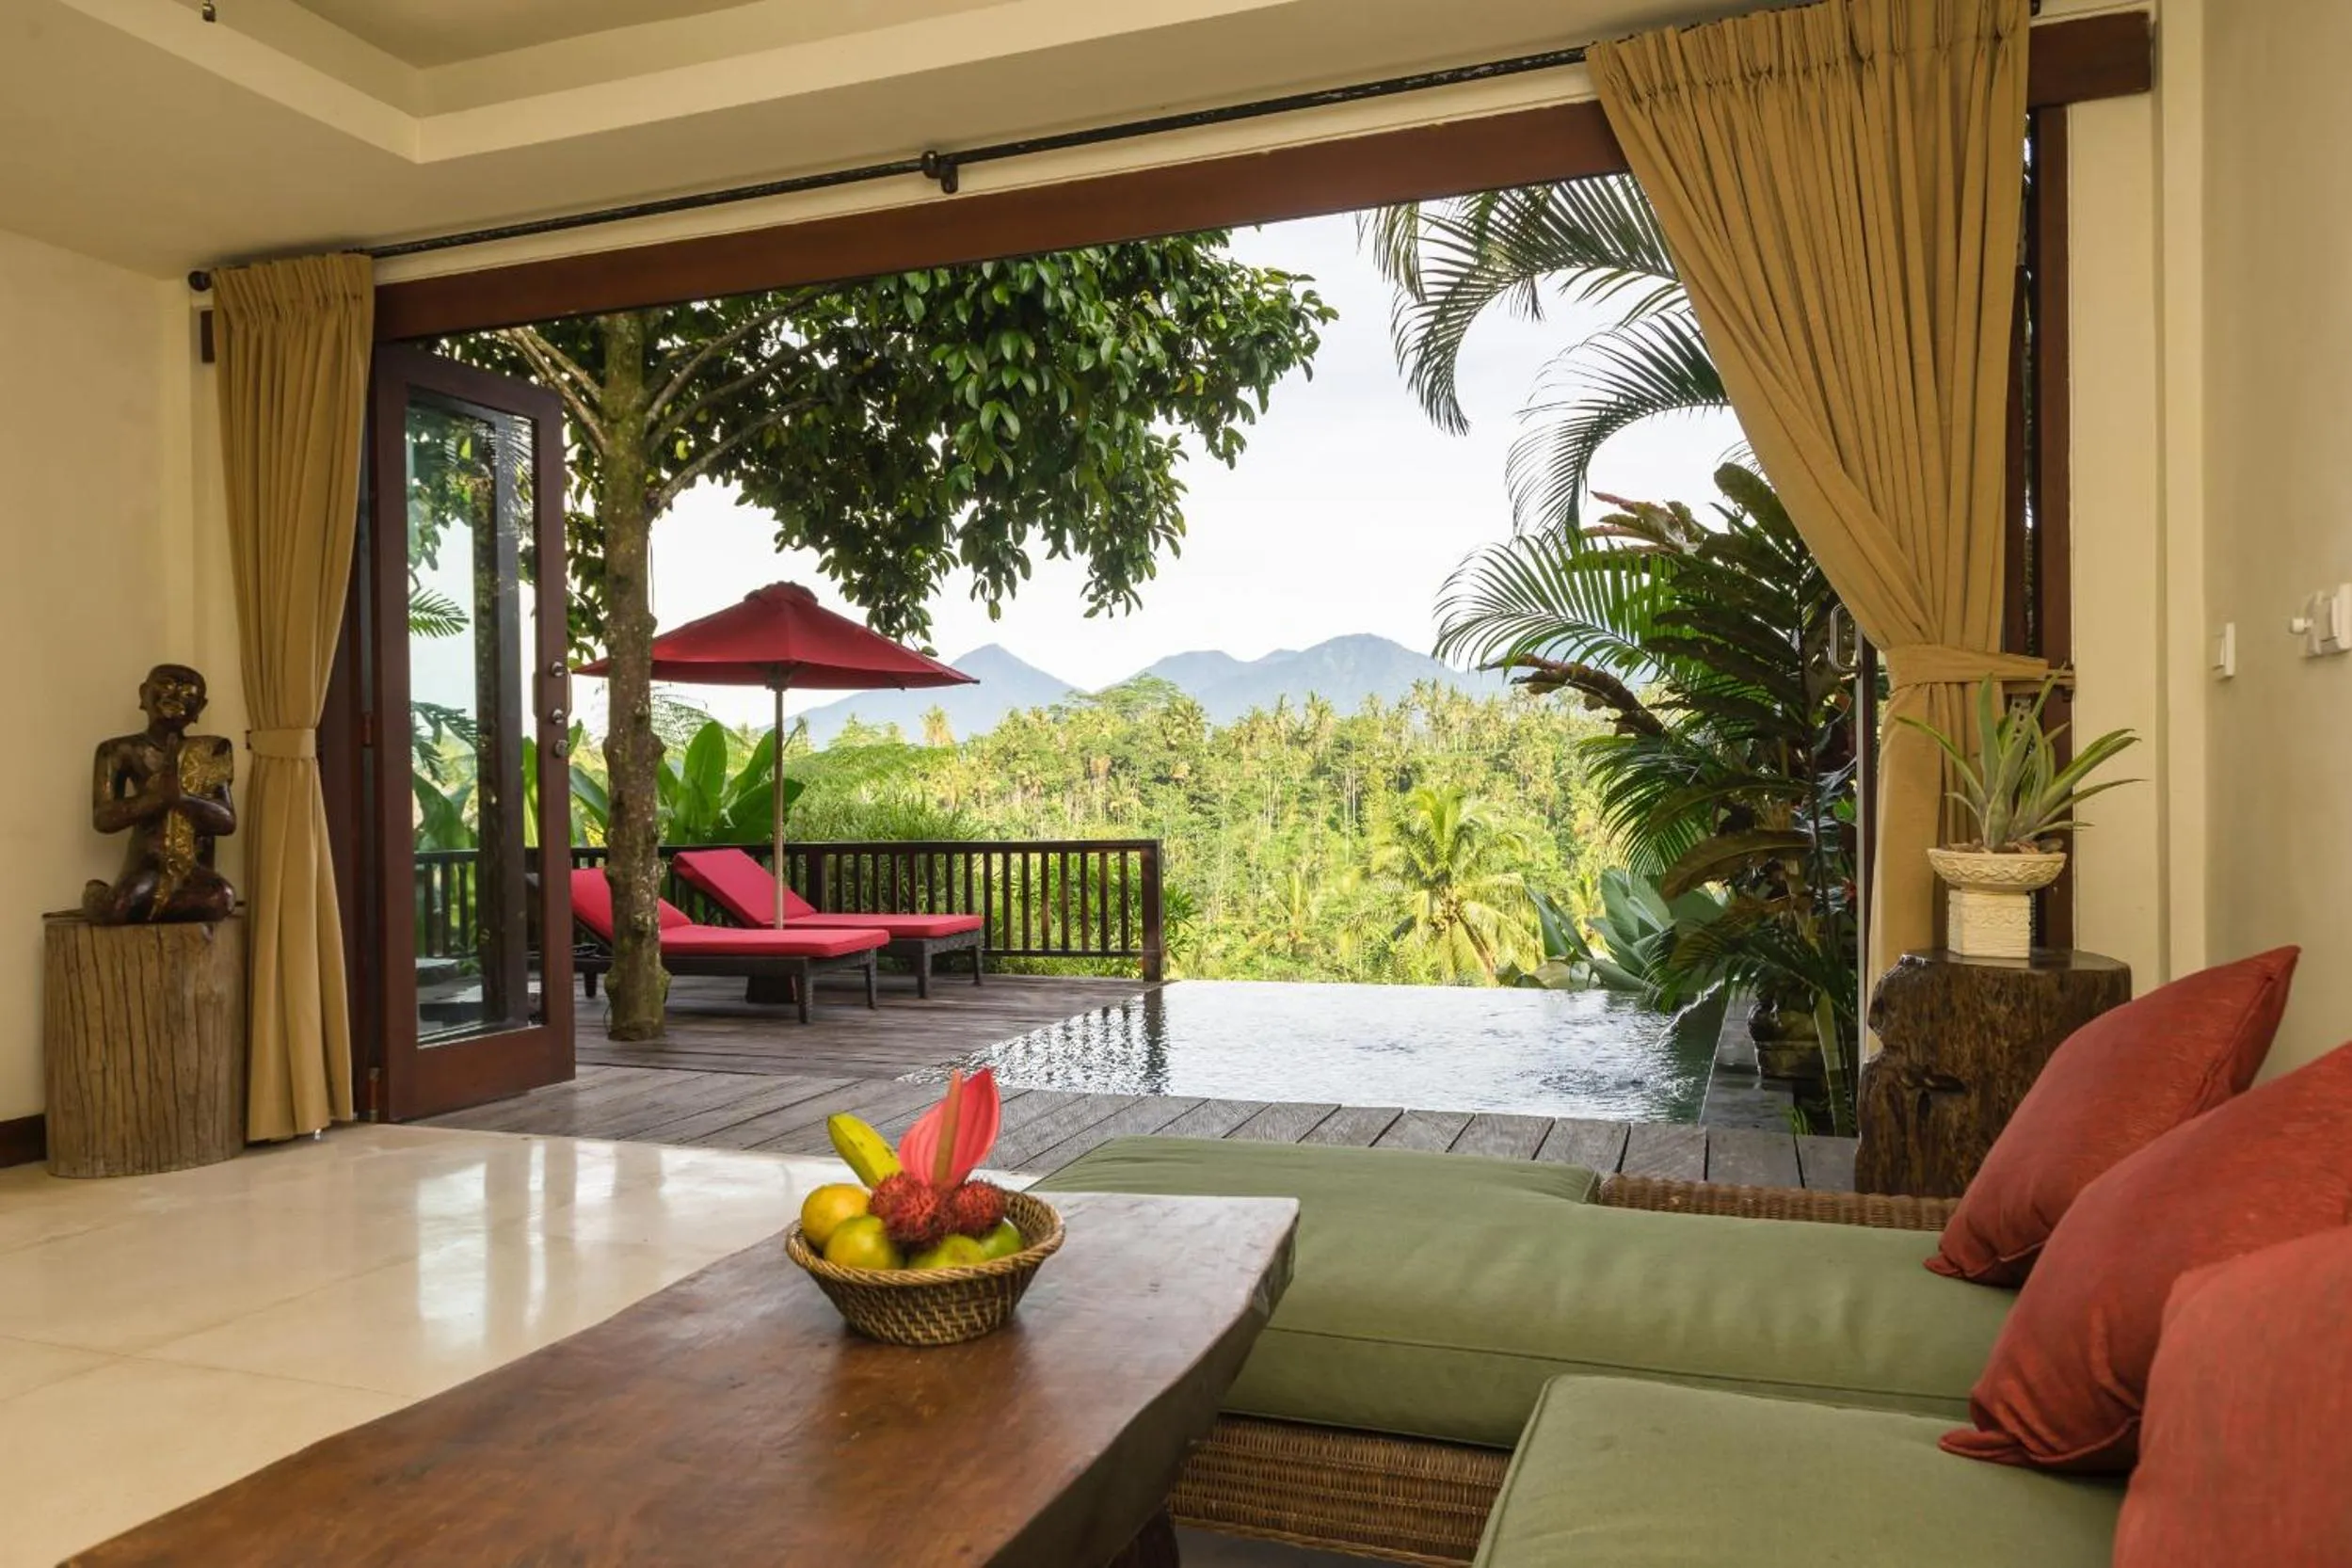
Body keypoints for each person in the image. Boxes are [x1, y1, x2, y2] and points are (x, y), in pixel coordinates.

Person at [82, 664, 237, 924]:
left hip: (192, 869)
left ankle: (149, 908)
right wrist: (154, 800)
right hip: (148, 865)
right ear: (143, 694)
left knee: (222, 898)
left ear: (200, 708)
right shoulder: (118, 750)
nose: (176, 699)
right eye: (165, 686)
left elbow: (227, 820)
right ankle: (99, 897)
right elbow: (103, 818)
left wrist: (182, 799)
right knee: (119, 908)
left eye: (189, 695)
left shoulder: (211, 750)